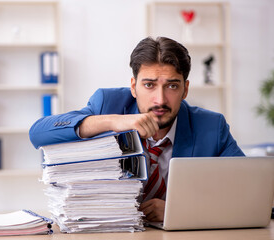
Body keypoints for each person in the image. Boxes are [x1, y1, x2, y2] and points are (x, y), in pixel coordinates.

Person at [29, 36, 245, 222]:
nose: (160, 100)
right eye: (149, 85)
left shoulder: (211, 127)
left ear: (185, 89)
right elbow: (38, 132)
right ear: (133, 87)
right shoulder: (108, 104)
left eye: (172, 86)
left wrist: (178, 209)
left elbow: (248, 192)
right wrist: (112, 122)